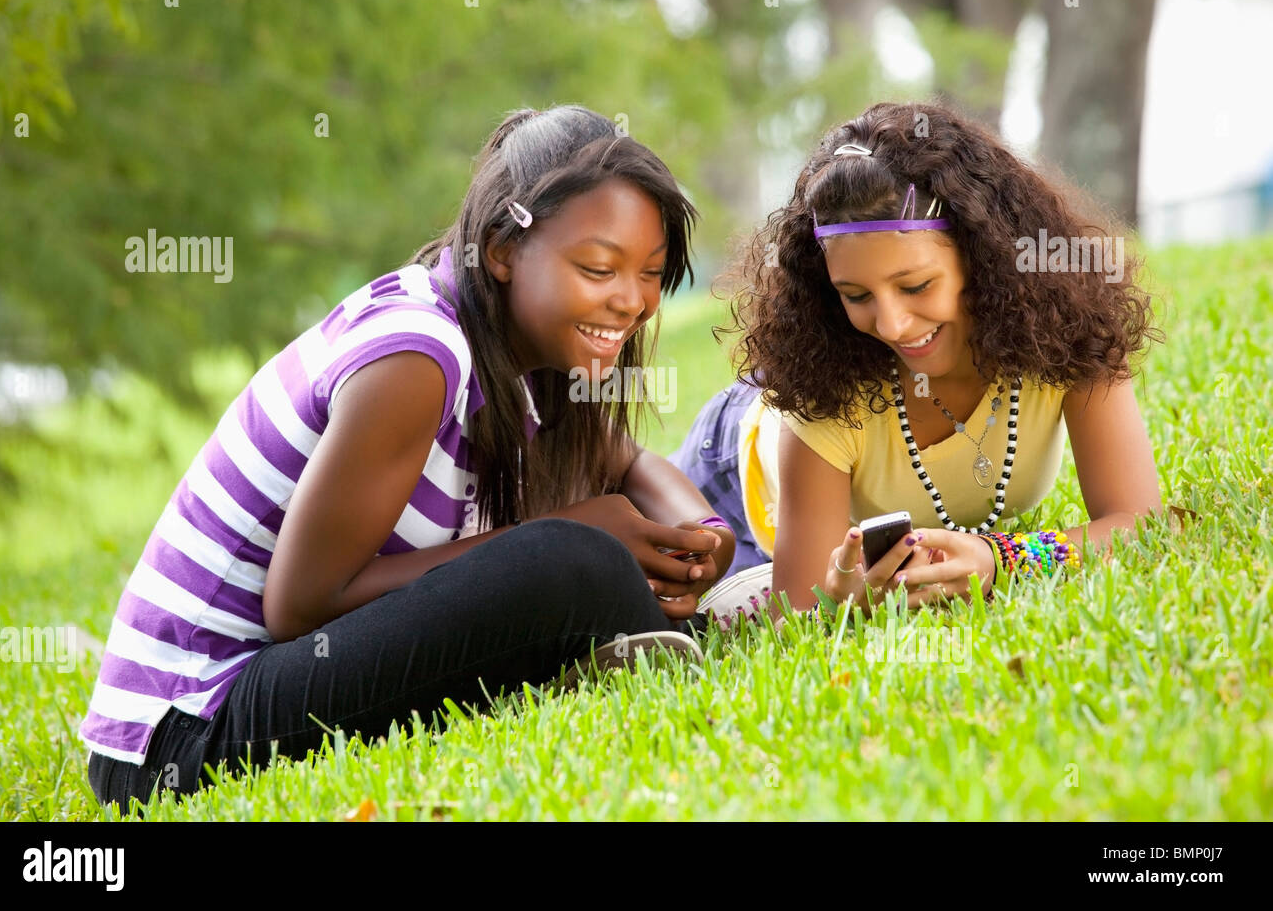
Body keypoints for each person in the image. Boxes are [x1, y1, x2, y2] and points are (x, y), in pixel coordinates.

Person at [81, 105, 737, 815]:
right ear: (503, 250)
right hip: (185, 733)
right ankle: (637, 633)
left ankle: (643, 630)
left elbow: (629, 461)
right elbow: (301, 604)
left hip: (256, 689)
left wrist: (702, 528)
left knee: (580, 556)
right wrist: (575, 536)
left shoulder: (524, 353)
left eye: (650, 274)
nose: (632, 301)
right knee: (570, 562)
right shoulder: (416, 355)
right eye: (598, 267)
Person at [674, 101, 1164, 620]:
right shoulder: (819, 392)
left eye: (916, 286)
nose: (892, 326)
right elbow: (794, 615)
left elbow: (1138, 522)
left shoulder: (1067, 333)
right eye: (856, 295)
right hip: (731, 474)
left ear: (985, 254)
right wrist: (845, 604)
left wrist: (1002, 557)